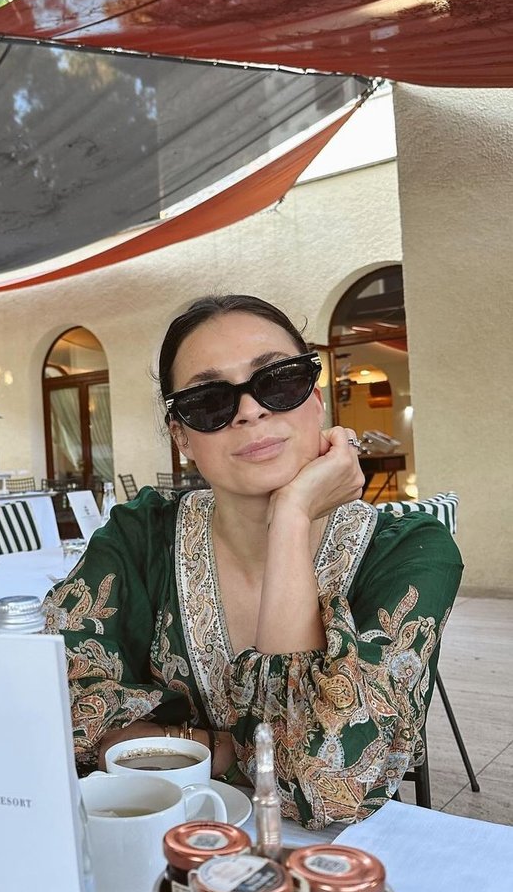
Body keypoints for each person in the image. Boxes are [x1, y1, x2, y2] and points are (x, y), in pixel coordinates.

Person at [44, 294, 463, 829]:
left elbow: (318, 785)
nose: (250, 410)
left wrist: (289, 518)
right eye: (209, 401)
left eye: (278, 381)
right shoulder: (139, 537)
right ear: (182, 437)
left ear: (315, 399)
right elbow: (47, 710)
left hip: (329, 874)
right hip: (153, 849)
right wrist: (232, 746)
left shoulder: (409, 552)